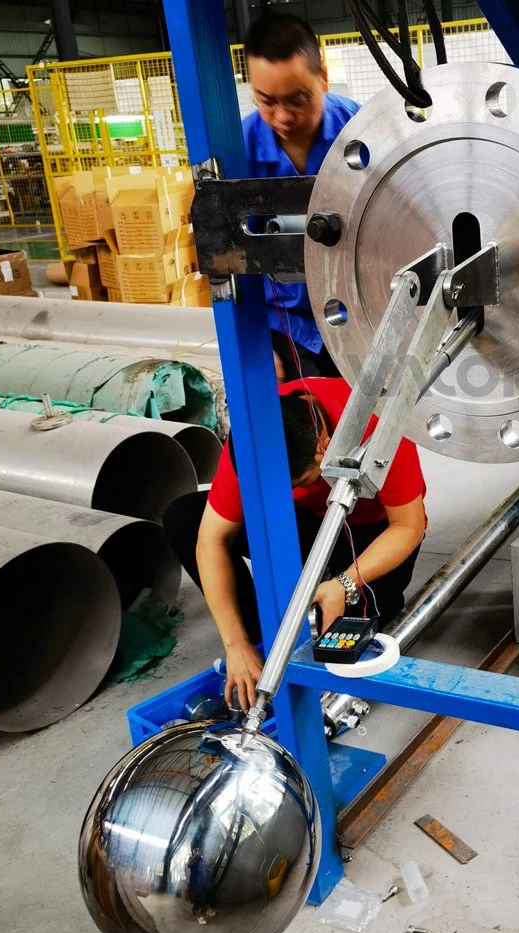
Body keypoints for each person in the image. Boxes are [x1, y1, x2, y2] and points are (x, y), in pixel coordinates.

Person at [163, 377, 427, 712]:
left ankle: (333, 593)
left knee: (349, 636)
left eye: (304, 481)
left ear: (324, 445)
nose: (297, 487)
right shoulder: (252, 435)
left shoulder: (378, 421)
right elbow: (210, 540)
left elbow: (408, 526)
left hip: (371, 529)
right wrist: (236, 644)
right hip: (301, 523)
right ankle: (260, 642)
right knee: (184, 517)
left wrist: (345, 583)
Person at [242, 11, 360, 380]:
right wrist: (256, 341)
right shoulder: (240, 150)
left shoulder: (359, 132)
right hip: (286, 332)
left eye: (297, 100)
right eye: (267, 101)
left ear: (322, 77)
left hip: (360, 321)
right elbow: (230, 259)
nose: (282, 116)